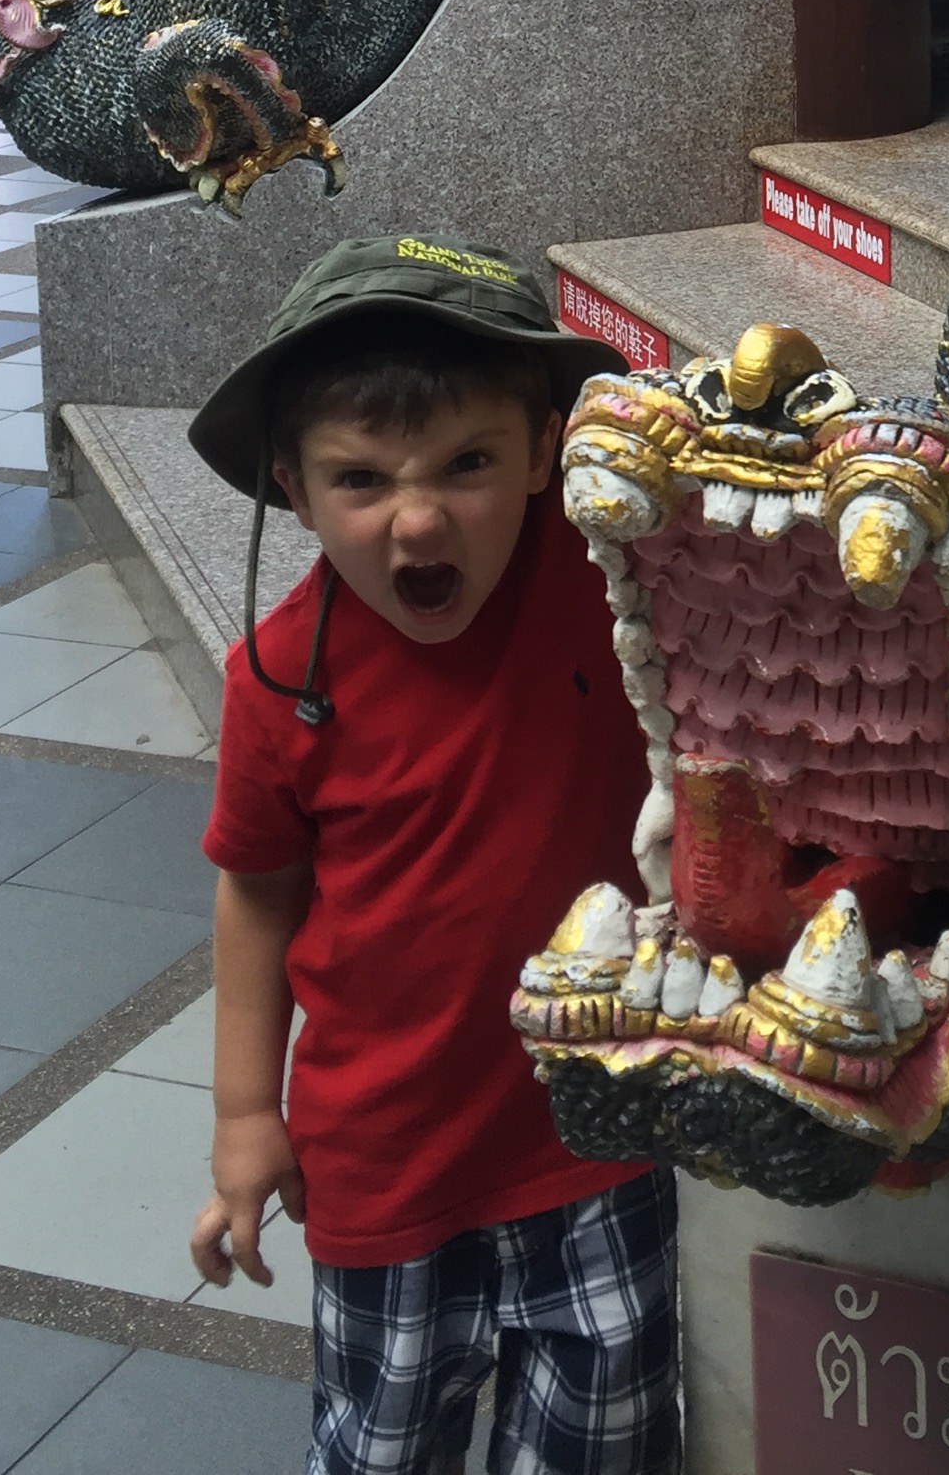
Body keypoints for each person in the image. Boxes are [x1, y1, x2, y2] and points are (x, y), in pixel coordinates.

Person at [186, 238, 677, 1475]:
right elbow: (257, 896)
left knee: (605, 1446)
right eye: (361, 479)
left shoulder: (612, 582)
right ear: (293, 489)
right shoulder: (278, 679)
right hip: (385, 1156)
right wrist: (245, 1114)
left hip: (600, 1125)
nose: (418, 519)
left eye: (469, 463)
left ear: (544, 453)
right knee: (381, 1447)